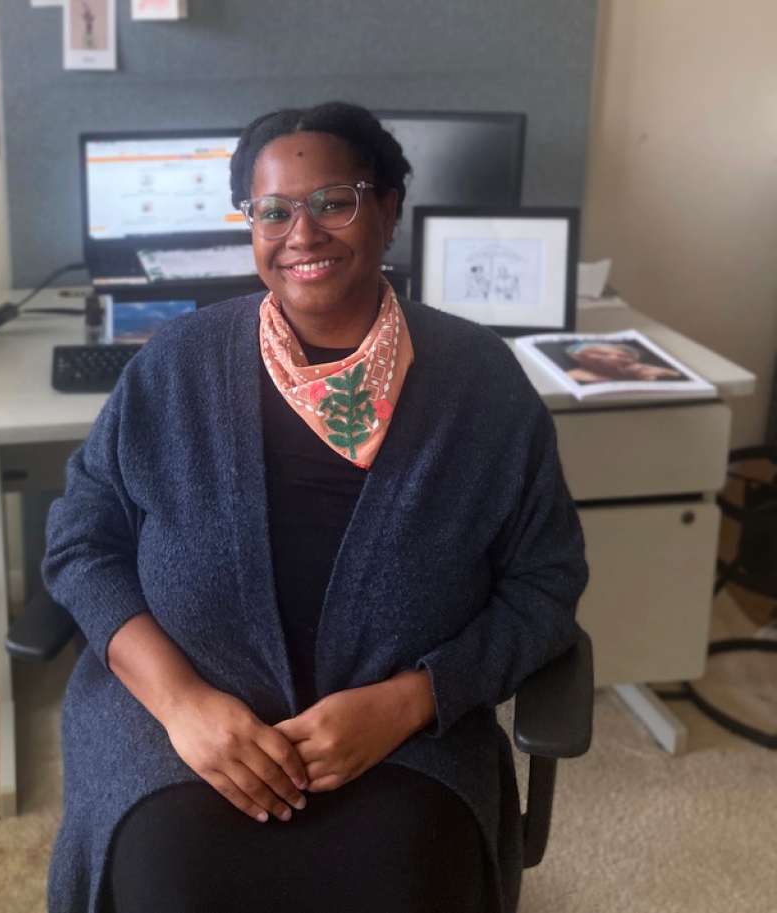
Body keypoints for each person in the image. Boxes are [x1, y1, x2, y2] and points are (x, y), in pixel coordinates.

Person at [42, 101, 588, 913]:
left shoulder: (483, 385)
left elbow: (545, 586)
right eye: (273, 210)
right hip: (178, 734)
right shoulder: (174, 367)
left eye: (334, 200)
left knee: (405, 880)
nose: (302, 232)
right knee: (172, 885)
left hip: (403, 742)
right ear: (250, 226)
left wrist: (410, 701)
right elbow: (81, 543)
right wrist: (183, 705)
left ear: (389, 207)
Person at [564, 341, 683, 383]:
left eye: (624, 356)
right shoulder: (572, 376)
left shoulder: (638, 373)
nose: (615, 358)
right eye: (602, 354)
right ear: (578, 357)